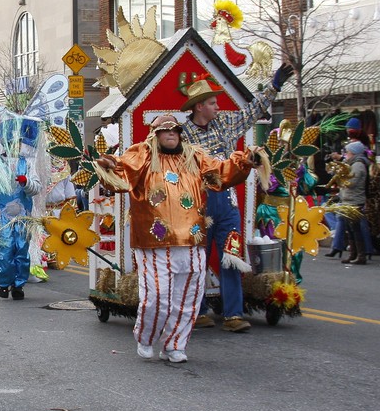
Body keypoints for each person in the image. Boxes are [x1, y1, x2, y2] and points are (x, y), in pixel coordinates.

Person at [95, 114, 259, 363]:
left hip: (192, 241)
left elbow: (221, 172)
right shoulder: (142, 155)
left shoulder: (194, 156)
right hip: (154, 242)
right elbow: (121, 170)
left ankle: (174, 345)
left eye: (176, 130)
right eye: (165, 130)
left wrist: (244, 161)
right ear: (155, 134)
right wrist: (108, 163)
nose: (171, 133)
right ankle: (146, 337)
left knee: (188, 298)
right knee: (157, 297)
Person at [179, 64, 291, 332]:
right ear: (199, 107)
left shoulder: (226, 123)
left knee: (231, 254)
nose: (217, 107)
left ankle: (233, 313)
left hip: (227, 202)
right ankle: (199, 310)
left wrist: (274, 86)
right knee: (198, 259)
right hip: (199, 203)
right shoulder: (183, 135)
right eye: (212, 103)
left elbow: (253, 111)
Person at [0, 118, 42, 300]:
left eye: (15, 140)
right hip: (1, 216)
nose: (12, 144)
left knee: (21, 250)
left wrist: (25, 182)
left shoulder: (26, 164)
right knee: (4, 251)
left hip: (22, 216)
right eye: (8, 140)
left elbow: (37, 187)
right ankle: (4, 283)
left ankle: (19, 285)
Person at [338, 141, 370, 264]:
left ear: (353, 153)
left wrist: (341, 177)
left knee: (355, 228)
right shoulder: (351, 164)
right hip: (348, 199)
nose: (346, 155)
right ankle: (353, 254)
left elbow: (351, 183)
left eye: (348, 152)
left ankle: (360, 255)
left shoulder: (357, 165)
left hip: (354, 200)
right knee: (349, 228)